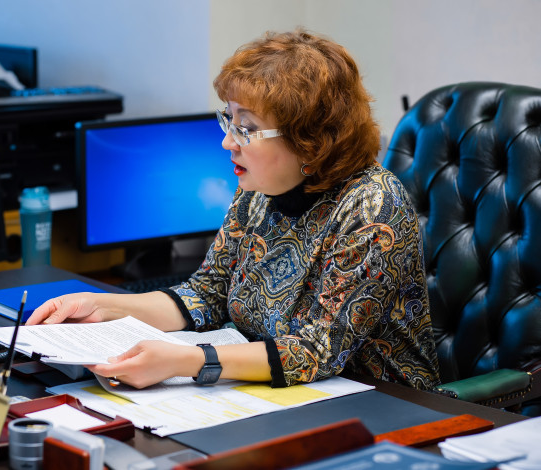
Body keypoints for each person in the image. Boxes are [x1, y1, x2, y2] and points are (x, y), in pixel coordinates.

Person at [27, 29, 440, 391]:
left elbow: (316, 351)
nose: (228, 142)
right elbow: (206, 294)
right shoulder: (258, 190)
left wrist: (190, 361)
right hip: (278, 394)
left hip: (385, 405)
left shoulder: (372, 206)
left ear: (310, 139)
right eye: (229, 120)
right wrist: (103, 307)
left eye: (246, 128)